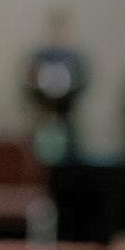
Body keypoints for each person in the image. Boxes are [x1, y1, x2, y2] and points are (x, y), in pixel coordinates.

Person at [23, 9, 89, 163]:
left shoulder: (76, 59)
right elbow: (28, 83)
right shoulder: (38, 56)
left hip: (67, 116)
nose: (58, 33)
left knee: (71, 158)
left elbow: (82, 84)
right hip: (41, 115)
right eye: (55, 28)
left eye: (61, 28)